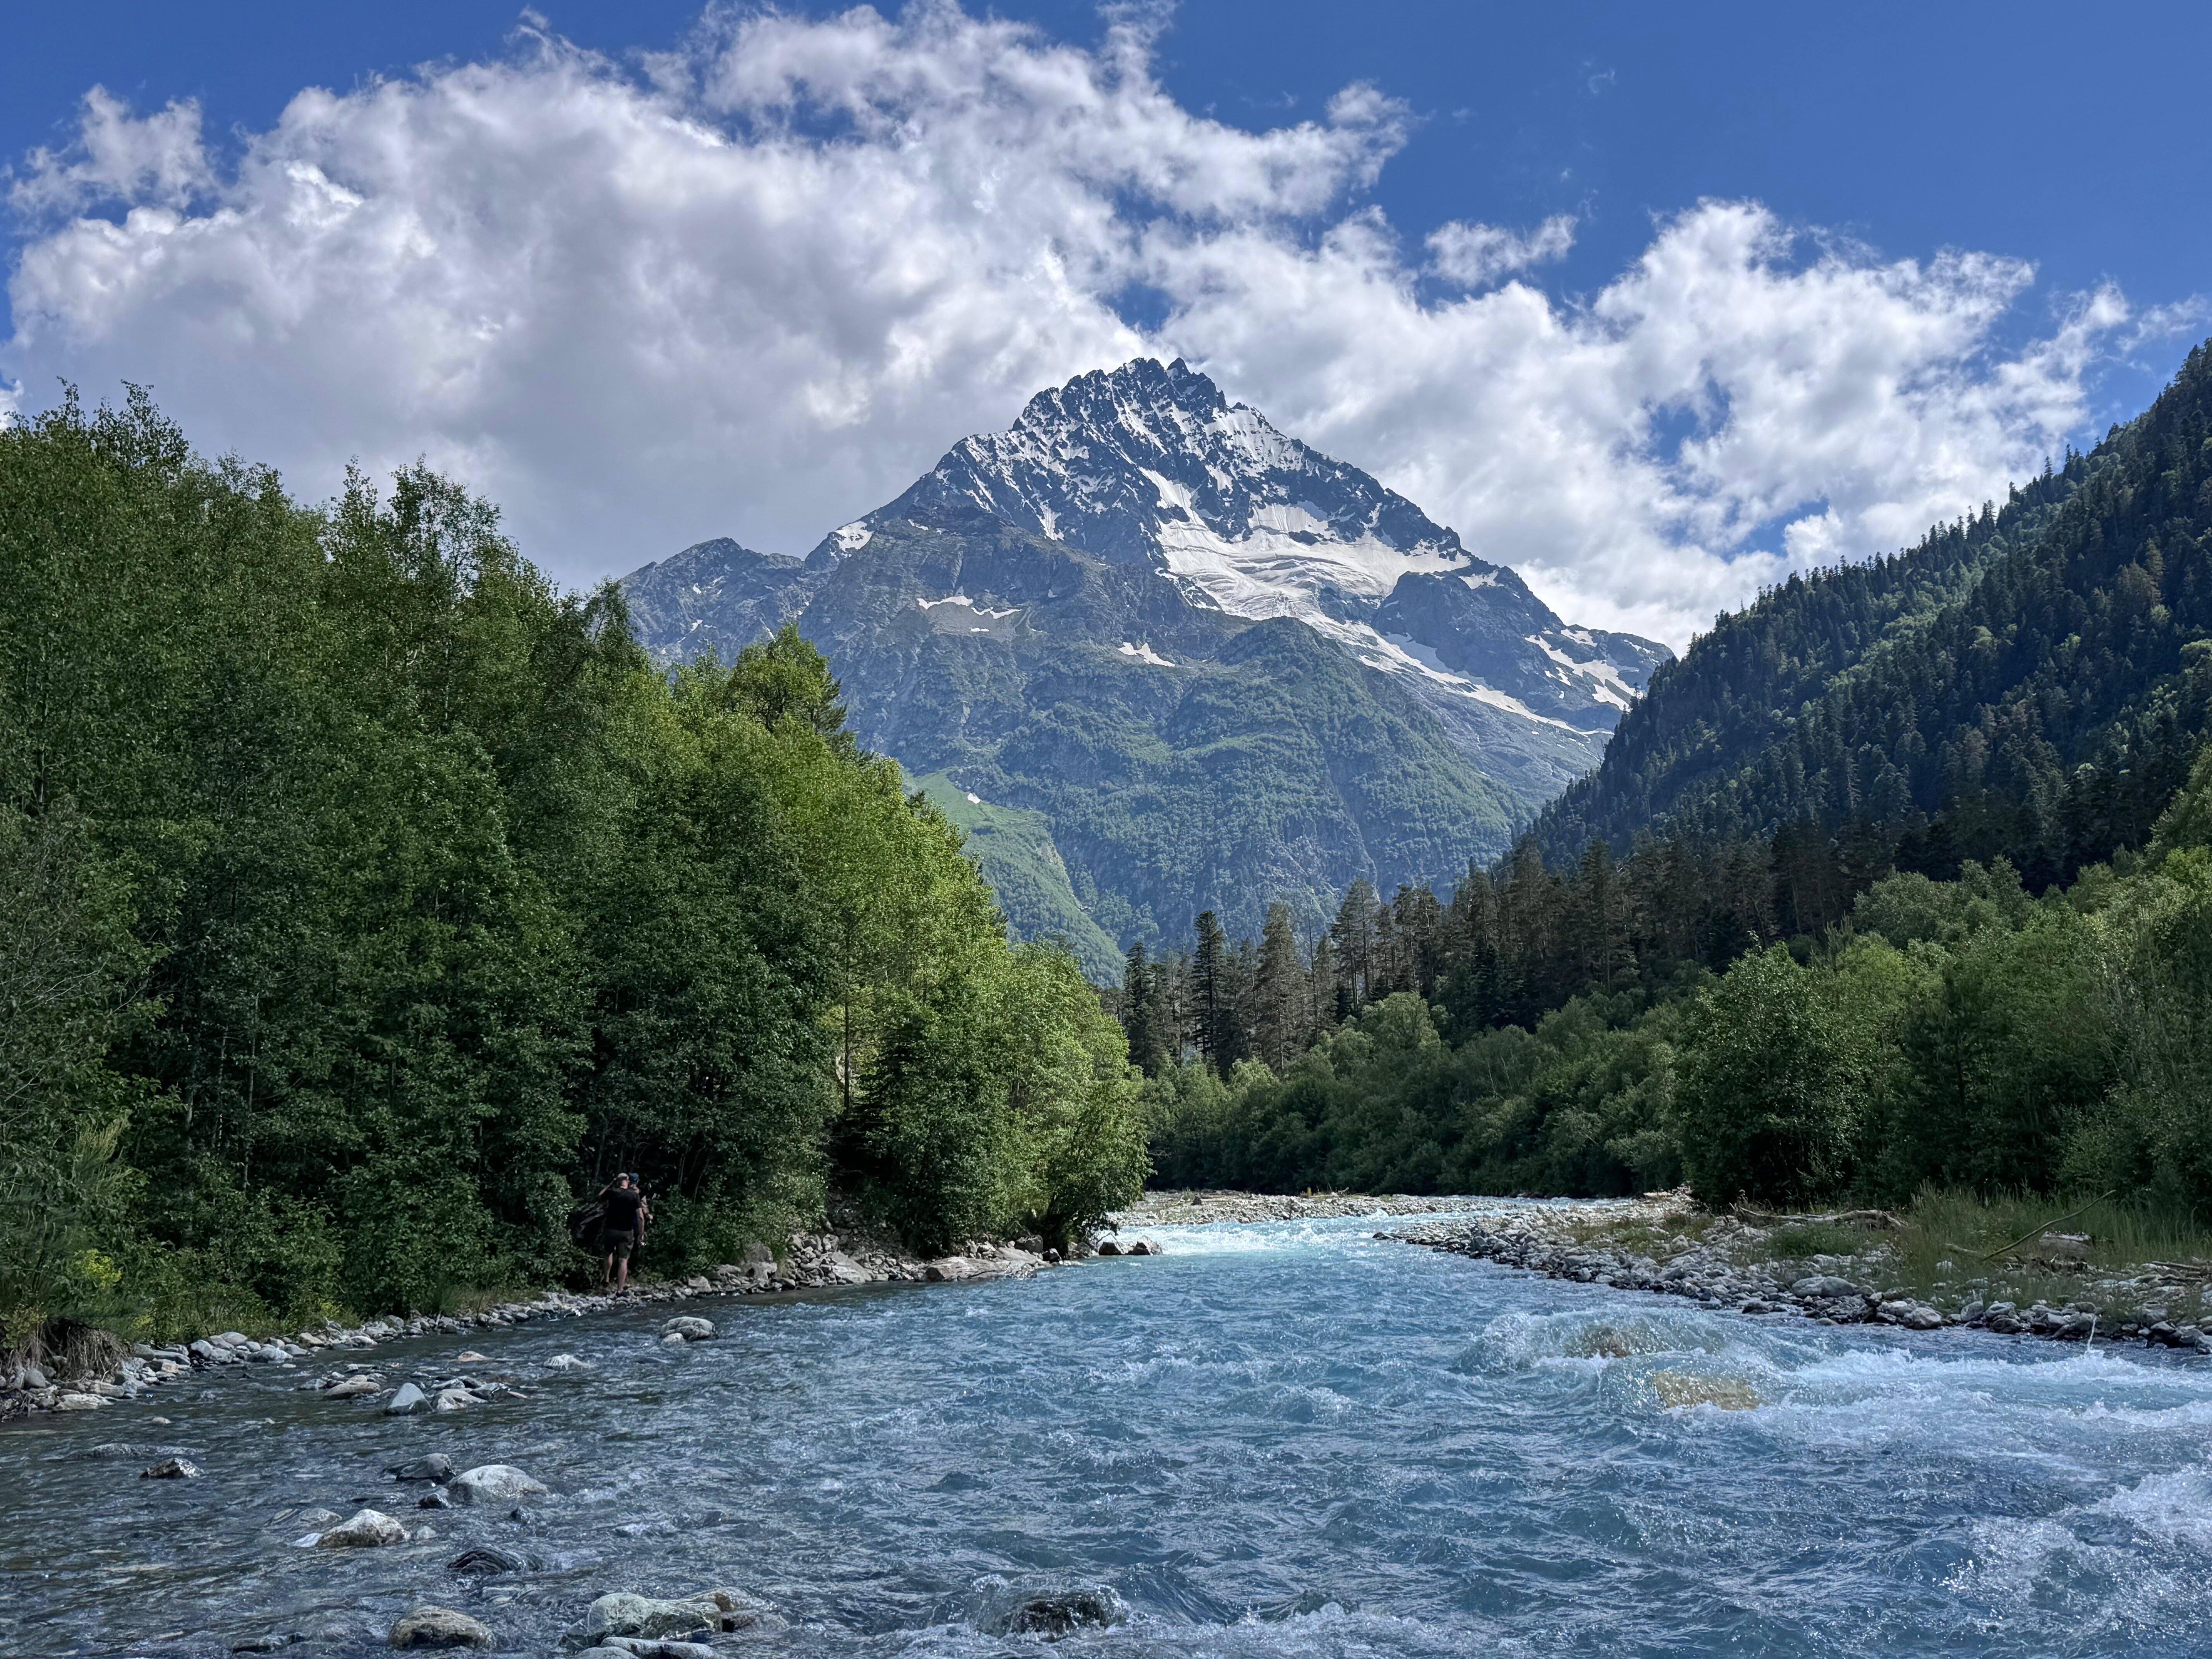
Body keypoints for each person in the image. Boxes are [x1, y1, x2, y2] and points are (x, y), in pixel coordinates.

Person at [599, 1173, 651, 1296]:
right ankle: (620, 1289)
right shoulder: (634, 1196)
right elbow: (641, 1217)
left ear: (617, 1182)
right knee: (624, 1260)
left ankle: (606, 1278)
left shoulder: (612, 1193)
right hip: (627, 1231)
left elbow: (600, 1196)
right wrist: (641, 1233)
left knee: (608, 1254)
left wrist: (610, 1185)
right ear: (628, 1182)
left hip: (611, 1229)